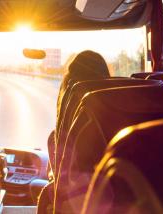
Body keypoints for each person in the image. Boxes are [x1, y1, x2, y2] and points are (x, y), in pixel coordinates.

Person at [39, 50, 110, 214]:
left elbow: (63, 184)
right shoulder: (127, 120)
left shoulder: (58, 139)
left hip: (81, 203)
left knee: (46, 194)